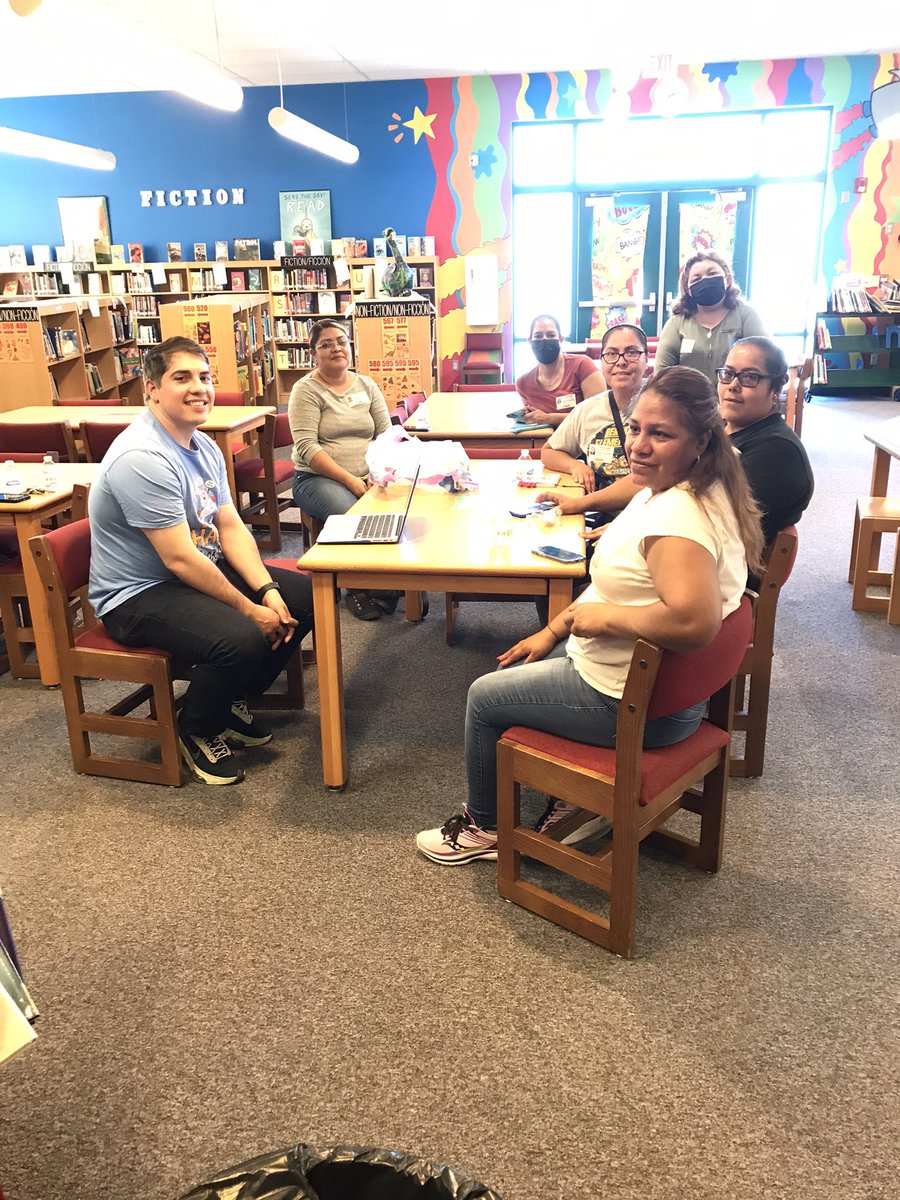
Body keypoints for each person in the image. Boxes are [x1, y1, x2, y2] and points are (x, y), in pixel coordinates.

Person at [416, 366, 763, 865]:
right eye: (637, 428)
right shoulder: (695, 486)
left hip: (635, 708)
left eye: (660, 434)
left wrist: (604, 620)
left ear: (700, 441)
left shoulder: (678, 522)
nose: (638, 446)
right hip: (665, 694)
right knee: (529, 659)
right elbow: (613, 582)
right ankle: (570, 797)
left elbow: (695, 622)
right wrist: (555, 628)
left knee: (483, 697)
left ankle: (484, 829)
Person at [88, 336, 314, 787]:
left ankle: (229, 699)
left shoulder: (204, 447)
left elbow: (230, 528)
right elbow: (179, 560)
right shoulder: (143, 458)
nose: (199, 388)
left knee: (305, 598)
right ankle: (196, 727)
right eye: (182, 377)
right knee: (242, 635)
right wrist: (251, 609)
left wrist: (268, 590)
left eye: (205, 377)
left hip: (187, 572)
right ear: (151, 388)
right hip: (135, 595)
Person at [289, 318, 395, 622]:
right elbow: (307, 448)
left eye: (341, 341)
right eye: (326, 344)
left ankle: (383, 579)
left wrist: (377, 472)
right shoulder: (306, 390)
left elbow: (386, 435)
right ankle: (355, 589)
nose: (336, 347)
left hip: (369, 475)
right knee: (353, 514)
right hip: (317, 478)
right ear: (313, 353)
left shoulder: (366, 384)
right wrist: (350, 480)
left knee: (402, 505)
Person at [540, 322, 648, 513]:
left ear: (646, 359)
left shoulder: (666, 405)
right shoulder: (588, 410)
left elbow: (649, 479)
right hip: (606, 515)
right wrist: (575, 466)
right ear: (602, 362)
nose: (621, 361)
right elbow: (548, 452)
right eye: (612, 354)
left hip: (654, 518)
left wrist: (582, 503)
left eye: (631, 352)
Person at [717, 336, 814, 546]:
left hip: (719, 568)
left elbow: (715, 521)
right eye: (728, 374)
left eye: (750, 377)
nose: (733, 385)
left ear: (776, 388)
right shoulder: (719, 429)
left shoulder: (778, 451)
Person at [655, 251, 766, 386]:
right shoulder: (676, 323)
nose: (705, 280)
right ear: (688, 289)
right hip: (687, 403)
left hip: (738, 400)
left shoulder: (746, 315)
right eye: (696, 279)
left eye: (712, 274)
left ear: (728, 280)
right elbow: (661, 376)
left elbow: (767, 360)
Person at [515, 314, 605, 428]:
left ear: (561, 339)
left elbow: (598, 415)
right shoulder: (523, 383)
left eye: (551, 335)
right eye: (538, 336)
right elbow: (534, 421)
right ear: (529, 341)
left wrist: (548, 418)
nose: (544, 339)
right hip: (546, 442)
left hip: (583, 441)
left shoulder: (582, 365)